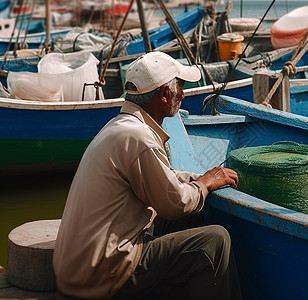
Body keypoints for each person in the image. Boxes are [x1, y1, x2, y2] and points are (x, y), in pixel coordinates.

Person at [53, 51, 241, 300]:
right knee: (215, 242)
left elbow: (165, 179)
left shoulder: (120, 127)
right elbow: (177, 203)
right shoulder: (139, 138)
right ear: (164, 94)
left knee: (187, 217)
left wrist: (199, 178)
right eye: (180, 87)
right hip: (101, 274)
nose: (183, 94)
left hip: (78, 269)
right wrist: (205, 183)